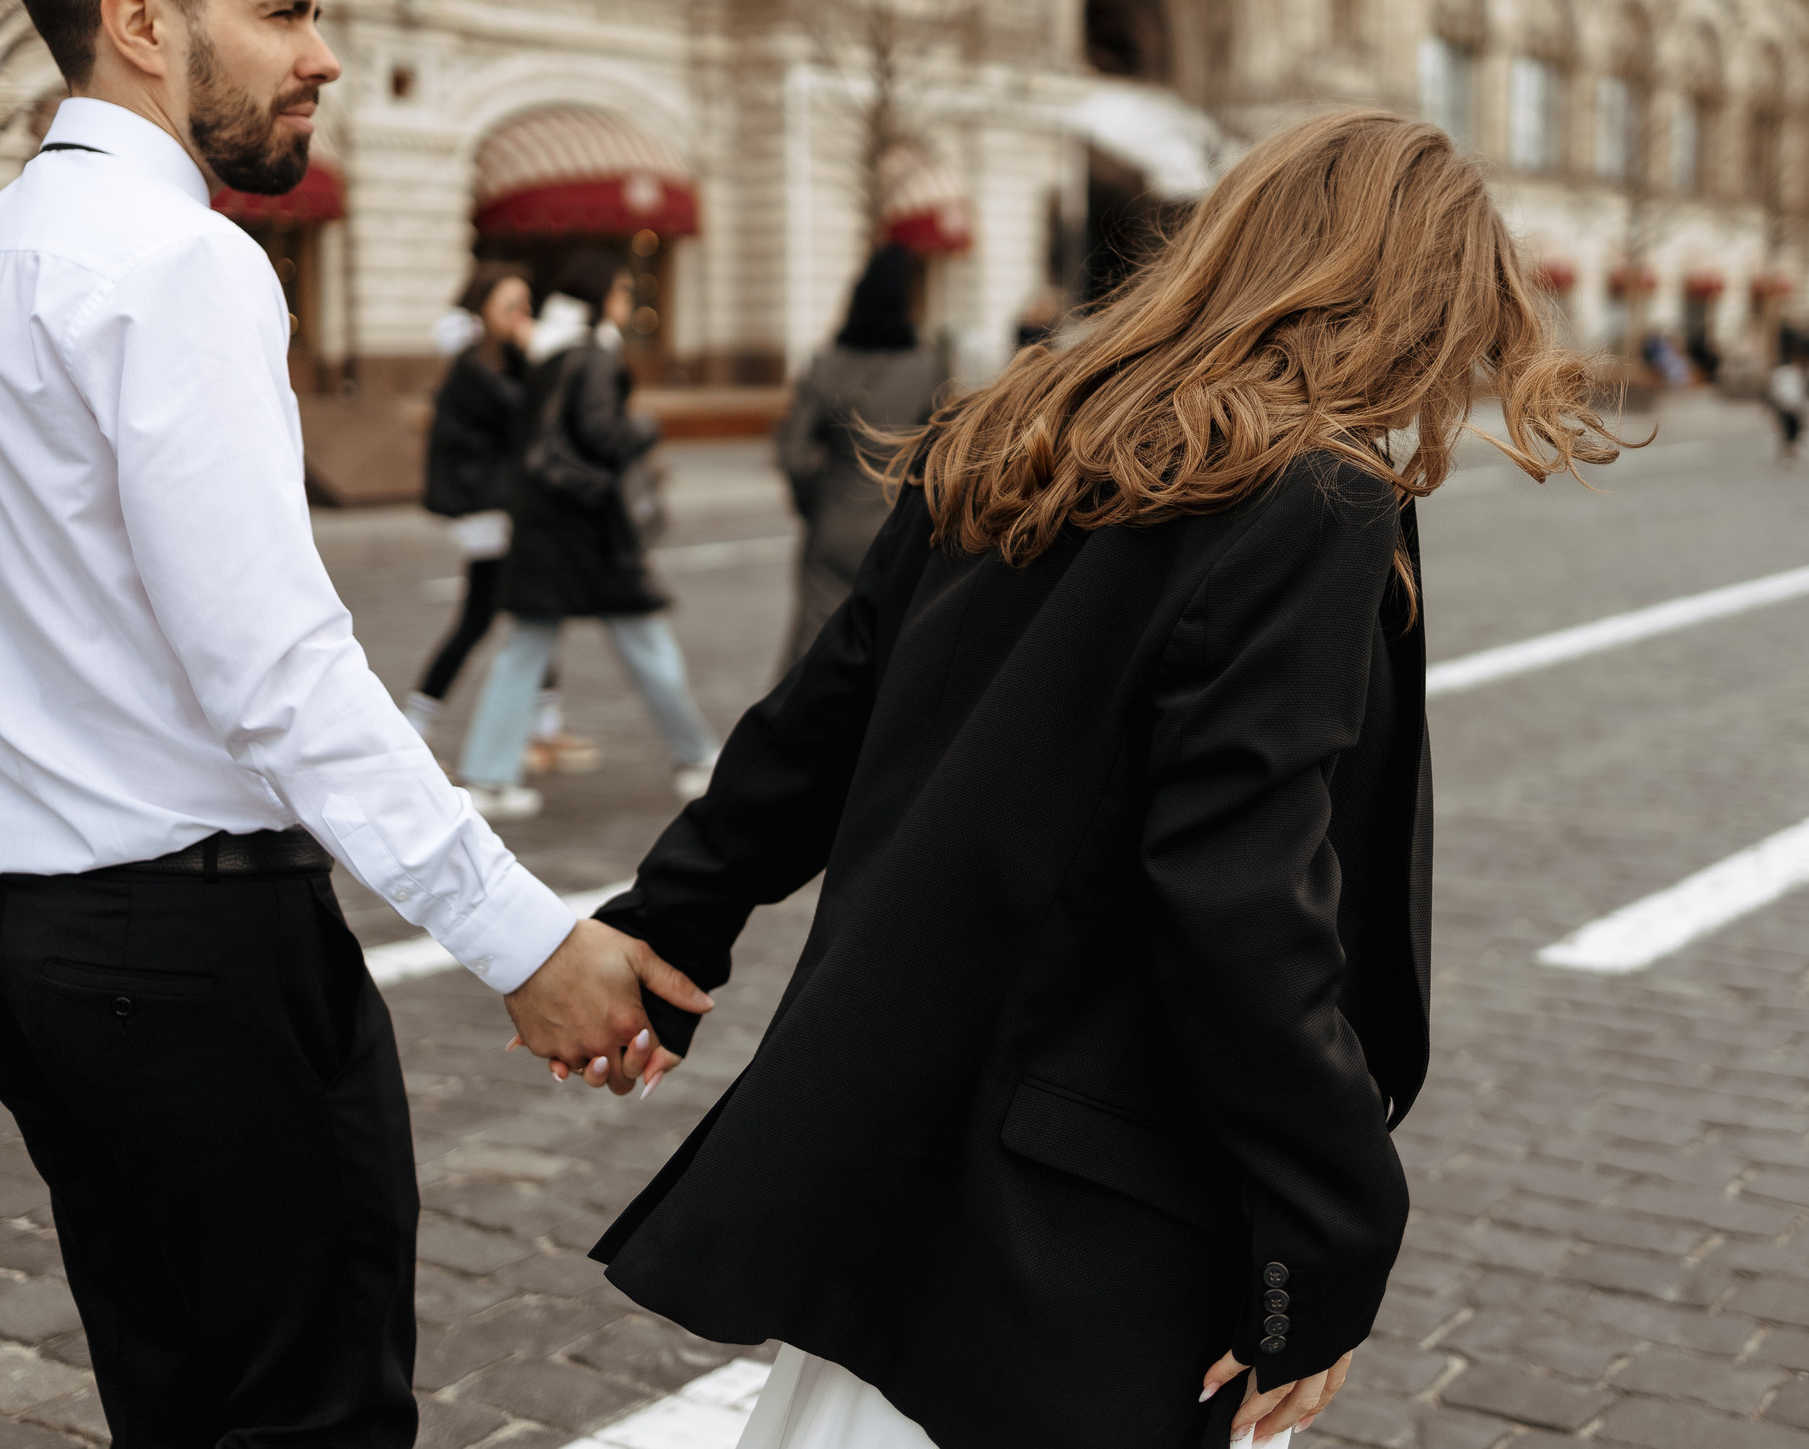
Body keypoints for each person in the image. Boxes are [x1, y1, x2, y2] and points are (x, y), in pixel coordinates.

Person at [566, 111, 1620, 1449]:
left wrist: (668, 920)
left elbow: (816, 723)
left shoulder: (1015, 426)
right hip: (1092, 1220)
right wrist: (1330, 1230)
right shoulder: (1313, 497)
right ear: (1411, 306)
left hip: (913, 1156)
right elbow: (1244, 895)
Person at [0, 0, 699, 1446]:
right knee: (311, 1416)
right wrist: (522, 934)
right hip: (199, 960)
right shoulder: (179, 264)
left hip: (26, 944)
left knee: (173, 1399)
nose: (322, 52)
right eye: (286, 11)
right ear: (142, 23)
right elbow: (279, 669)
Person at [457, 250, 721, 817]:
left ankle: (487, 777)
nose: (628, 303)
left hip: (547, 527)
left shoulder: (550, 351)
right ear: (600, 298)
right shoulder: (595, 355)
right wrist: (644, 429)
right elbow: (603, 434)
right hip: (591, 529)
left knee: (526, 649)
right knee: (646, 645)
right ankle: (698, 756)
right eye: (622, 292)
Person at [776, 240, 944, 665]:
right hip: (898, 523)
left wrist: (816, 500)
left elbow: (793, 452)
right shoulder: (926, 368)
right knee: (892, 649)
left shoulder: (826, 363)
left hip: (834, 521)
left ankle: (798, 732)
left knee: (810, 655)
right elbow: (945, 449)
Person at [1767, 352, 1809, 460]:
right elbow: (1803, 389)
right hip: (1796, 404)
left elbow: (1772, 391)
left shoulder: (1776, 374)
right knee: (1795, 426)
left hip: (1782, 405)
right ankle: (1792, 447)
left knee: (1784, 427)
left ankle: (1787, 447)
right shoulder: (1796, 373)